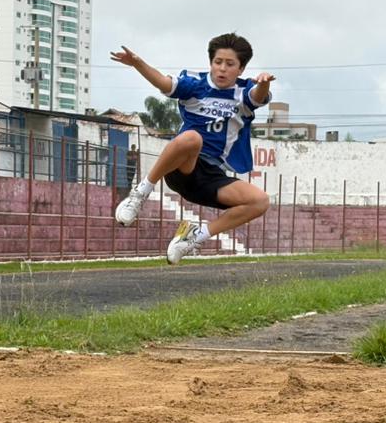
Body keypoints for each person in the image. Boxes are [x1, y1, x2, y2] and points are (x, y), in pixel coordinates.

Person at [111, 32, 273, 263]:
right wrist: (137, 62)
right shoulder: (195, 84)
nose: (222, 69)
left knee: (260, 201)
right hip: (183, 167)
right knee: (193, 138)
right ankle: (140, 194)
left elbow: (258, 95)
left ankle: (194, 237)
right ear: (210, 63)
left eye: (230, 64)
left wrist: (264, 83)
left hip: (211, 175)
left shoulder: (244, 91)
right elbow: (164, 83)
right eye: (218, 62)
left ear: (241, 69)